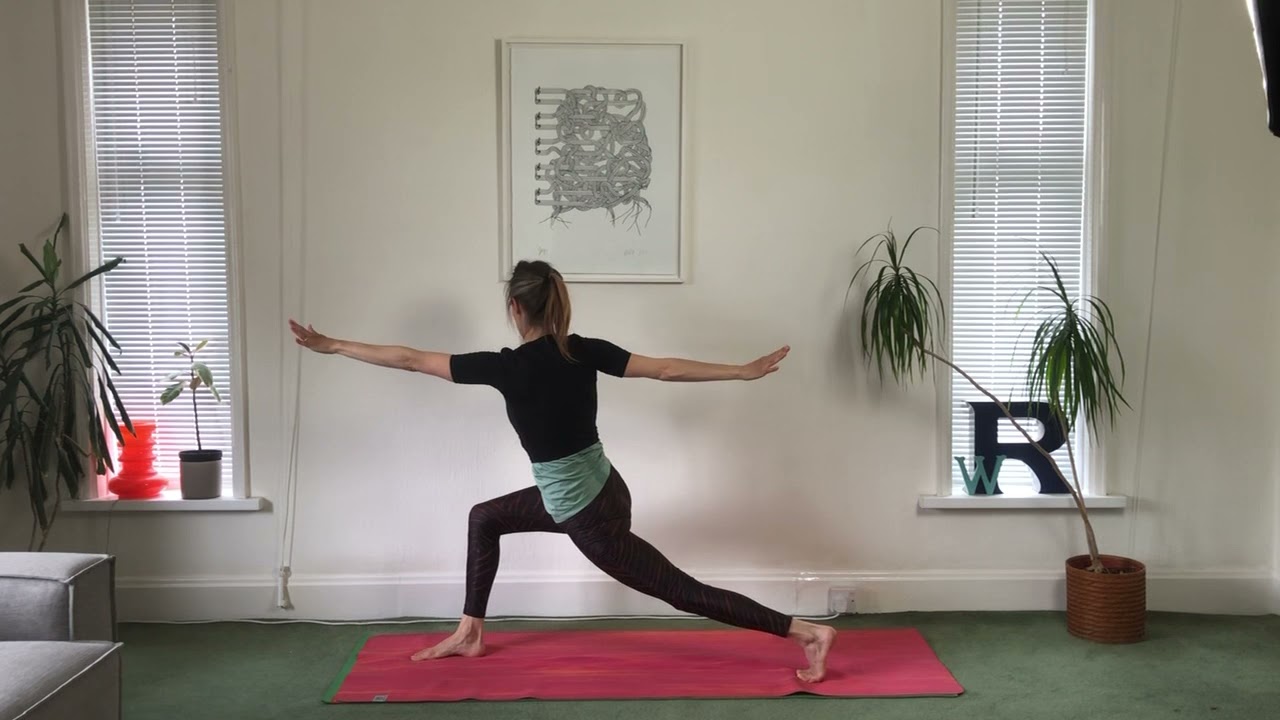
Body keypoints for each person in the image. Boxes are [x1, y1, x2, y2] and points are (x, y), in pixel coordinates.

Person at [288, 259, 837, 682]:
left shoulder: (505, 367)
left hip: (586, 514)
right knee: (485, 517)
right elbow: (666, 369)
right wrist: (740, 371)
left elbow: (410, 359)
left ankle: (806, 633)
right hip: (605, 489)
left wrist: (332, 344)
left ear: (515, 308)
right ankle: (470, 632)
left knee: (680, 591)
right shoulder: (583, 350)